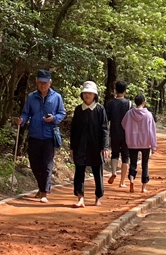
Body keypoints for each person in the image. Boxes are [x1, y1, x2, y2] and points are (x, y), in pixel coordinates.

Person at [17, 70, 67, 202]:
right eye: (39, 83)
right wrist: (21, 120)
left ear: (50, 83)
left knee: (47, 165)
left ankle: (44, 192)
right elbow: (26, 113)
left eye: (44, 83)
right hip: (34, 135)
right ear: (36, 82)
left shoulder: (57, 97)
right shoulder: (32, 97)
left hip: (49, 136)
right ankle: (41, 187)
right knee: (34, 164)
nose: (42, 85)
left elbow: (62, 113)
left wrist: (54, 118)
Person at [69, 81, 109, 208]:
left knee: (98, 171)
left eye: (90, 93)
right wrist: (72, 146)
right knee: (79, 171)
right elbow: (73, 129)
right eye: (85, 93)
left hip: (96, 146)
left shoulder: (100, 109)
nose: (87, 95)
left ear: (94, 95)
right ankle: (80, 197)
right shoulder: (78, 110)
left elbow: (104, 129)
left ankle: (98, 196)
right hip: (80, 145)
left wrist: (105, 147)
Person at [122, 92, 158, 191]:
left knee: (133, 162)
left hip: (132, 142)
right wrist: (153, 145)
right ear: (144, 102)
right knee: (144, 164)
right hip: (145, 143)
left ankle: (132, 179)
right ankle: (143, 187)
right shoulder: (148, 115)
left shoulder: (129, 113)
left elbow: (123, 124)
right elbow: (152, 131)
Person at [104, 81, 131, 183]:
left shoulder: (110, 103)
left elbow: (107, 119)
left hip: (114, 132)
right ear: (125, 91)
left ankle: (114, 172)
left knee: (114, 154)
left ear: (115, 90)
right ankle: (122, 182)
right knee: (125, 156)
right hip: (126, 134)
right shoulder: (129, 103)